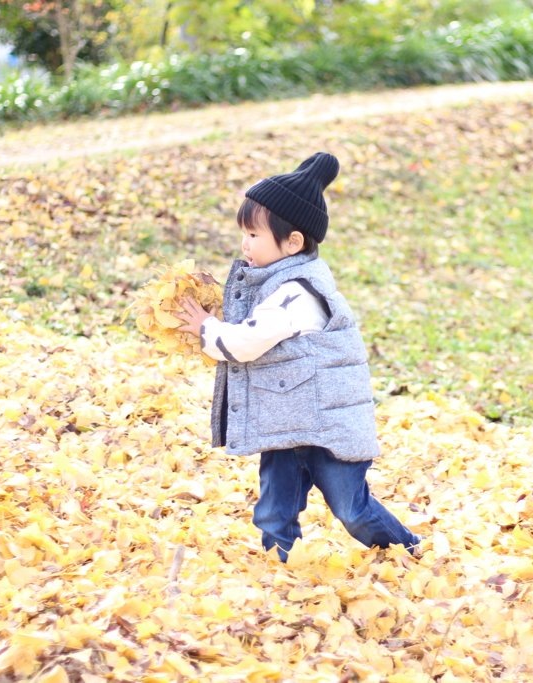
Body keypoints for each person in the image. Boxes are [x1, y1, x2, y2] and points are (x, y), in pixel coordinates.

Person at [174, 152, 421, 563]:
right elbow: (249, 328)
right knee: (274, 508)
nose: (244, 244)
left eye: (253, 235)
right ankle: (280, 566)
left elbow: (244, 343)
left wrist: (205, 327)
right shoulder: (275, 281)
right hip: (287, 419)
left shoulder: (300, 291)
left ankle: (408, 551)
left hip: (327, 426)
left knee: (352, 509)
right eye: (244, 233)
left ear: (293, 242)